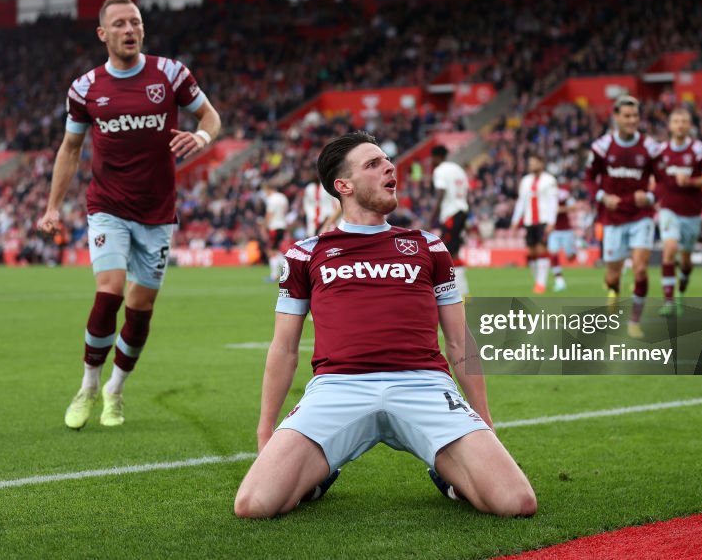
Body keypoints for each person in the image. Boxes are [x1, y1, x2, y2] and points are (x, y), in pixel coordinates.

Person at [234, 132, 536, 519]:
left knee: (517, 503)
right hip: (338, 386)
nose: (389, 167)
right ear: (343, 186)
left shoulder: (429, 246)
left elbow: (459, 341)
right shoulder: (305, 254)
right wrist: (265, 431)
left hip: (424, 384)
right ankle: (321, 473)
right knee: (253, 505)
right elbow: (284, 348)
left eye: (387, 161)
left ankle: (445, 474)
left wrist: (484, 419)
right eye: (373, 164)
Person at [38, 0, 222, 429]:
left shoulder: (171, 74)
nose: (129, 30)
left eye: (135, 22)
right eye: (119, 24)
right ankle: (87, 384)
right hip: (108, 206)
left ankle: (115, 390)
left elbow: (211, 117)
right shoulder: (85, 89)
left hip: (158, 211)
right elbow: (70, 148)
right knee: (111, 290)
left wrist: (201, 138)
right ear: (103, 34)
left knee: (142, 307)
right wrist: (51, 207)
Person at [585, 95, 660, 338]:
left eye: (635, 116)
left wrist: (649, 196)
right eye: (626, 116)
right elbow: (588, 179)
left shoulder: (650, 147)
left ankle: (634, 321)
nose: (631, 120)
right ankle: (614, 290)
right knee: (612, 275)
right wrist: (602, 197)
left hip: (641, 215)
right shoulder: (601, 147)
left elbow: (663, 181)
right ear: (616, 117)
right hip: (613, 217)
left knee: (640, 269)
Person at [654, 109, 702, 315]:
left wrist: (691, 181)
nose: (680, 125)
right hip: (669, 209)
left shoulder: (701, 150)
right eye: (676, 121)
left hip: (692, 211)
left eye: (684, 121)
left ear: (690, 126)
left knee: (686, 260)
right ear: (670, 126)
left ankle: (683, 282)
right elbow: (654, 177)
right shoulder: (660, 151)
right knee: (670, 249)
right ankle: (669, 301)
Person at [510, 154, 558, 294]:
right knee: (531, 253)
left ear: (541, 163)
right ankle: (538, 280)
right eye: (530, 163)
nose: (531, 166)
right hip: (529, 220)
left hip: (543, 219)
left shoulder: (549, 180)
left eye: (534, 163)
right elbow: (521, 202)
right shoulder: (525, 181)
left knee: (541, 249)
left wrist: (552, 221)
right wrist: (515, 220)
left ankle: (541, 284)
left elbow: (553, 202)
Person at [430, 144, 470, 296]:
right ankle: (464, 291)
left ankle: (460, 292)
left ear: (437, 157)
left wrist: (431, 219)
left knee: (448, 252)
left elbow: (441, 194)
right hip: (462, 211)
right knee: (454, 251)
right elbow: (466, 193)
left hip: (451, 213)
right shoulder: (458, 169)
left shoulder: (440, 170)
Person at [547, 182, 577, 292]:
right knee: (553, 253)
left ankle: (576, 247)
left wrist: (561, 209)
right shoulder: (545, 195)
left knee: (570, 257)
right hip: (554, 230)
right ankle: (559, 281)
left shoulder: (563, 194)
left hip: (566, 230)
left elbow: (574, 206)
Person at [263, 183, 290, 282]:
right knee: (276, 250)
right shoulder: (283, 197)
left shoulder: (271, 199)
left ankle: (275, 275)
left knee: (271, 251)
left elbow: (270, 213)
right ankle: (284, 271)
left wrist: (264, 226)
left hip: (274, 226)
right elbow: (286, 211)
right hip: (282, 225)